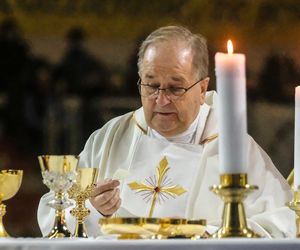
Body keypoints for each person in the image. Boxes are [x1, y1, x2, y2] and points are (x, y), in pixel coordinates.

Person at [38, 26, 295, 238]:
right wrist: (91, 210)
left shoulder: (233, 146)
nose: (161, 100)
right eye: (151, 85)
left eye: (175, 88)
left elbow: (284, 221)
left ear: (202, 88)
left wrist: (214, 235)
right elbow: (53, 215)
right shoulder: (110, 138)